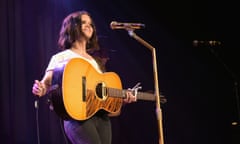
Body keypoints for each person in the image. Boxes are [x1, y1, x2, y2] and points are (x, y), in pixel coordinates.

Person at [32, 10, 137, 144]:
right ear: (72, 27)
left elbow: (102, 95)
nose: (89, 26)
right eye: (83, 23)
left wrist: (122, 99)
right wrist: (40, 88)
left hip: (101, 118)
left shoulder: (95, 61)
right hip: (77, 117)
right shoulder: (61, 57)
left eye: (91, 24)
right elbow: (47, 83)